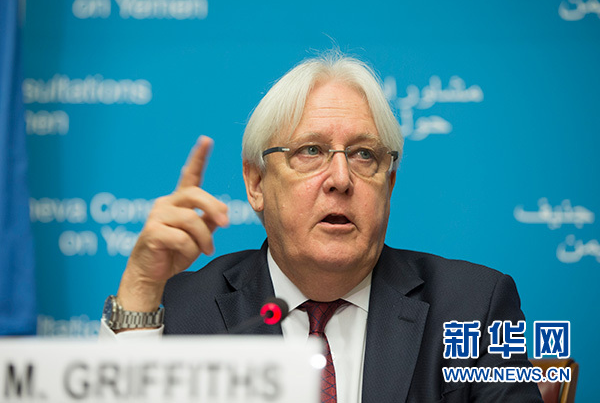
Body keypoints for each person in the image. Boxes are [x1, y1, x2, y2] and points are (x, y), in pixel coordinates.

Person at [100, 51, 543, 402]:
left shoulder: (473, 309)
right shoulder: (181, 312)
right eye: (310, 151)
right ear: (256, 183)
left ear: (389, 184)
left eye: (364, 155)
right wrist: (140, 289)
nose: (341, 179)